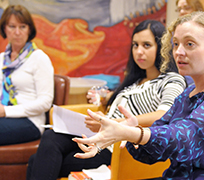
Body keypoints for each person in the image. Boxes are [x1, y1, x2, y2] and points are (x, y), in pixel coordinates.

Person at [73, 11, 204, 179]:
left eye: (189, 44)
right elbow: (152, 152)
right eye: (176, 44)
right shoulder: (187, 95)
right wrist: (129, 133)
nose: (179, 52)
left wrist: (132, 133)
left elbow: (187, 138)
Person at [26, 19, 186, 180]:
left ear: (162, 47)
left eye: (146, 45)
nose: (139, 52)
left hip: (117, 147)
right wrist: (106, 98)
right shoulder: (134, 82)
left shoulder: (172, 80)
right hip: (100, 136)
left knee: (37, 160)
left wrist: (116, 123)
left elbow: (164, 115)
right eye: (135, 45)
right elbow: (117, 99)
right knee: (50, 137)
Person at [0, 5, 54, 145]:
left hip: (30, 121)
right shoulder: (1, 59)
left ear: (29, 29)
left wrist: (7, 111)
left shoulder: (39, 58)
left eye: (22, 27)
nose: (17, 32)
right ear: (4, 29)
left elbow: (46, 102)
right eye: (12, 26)